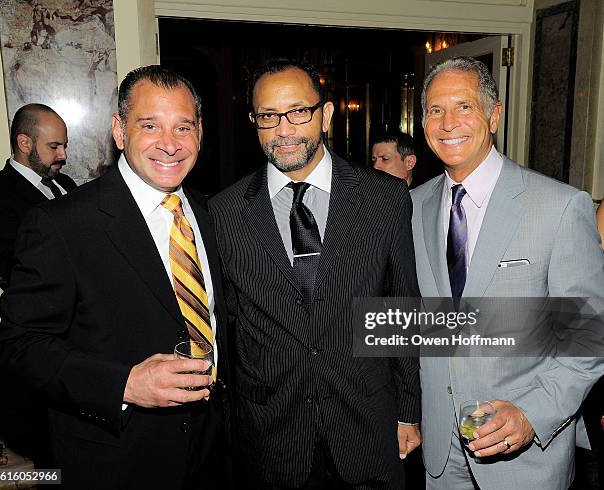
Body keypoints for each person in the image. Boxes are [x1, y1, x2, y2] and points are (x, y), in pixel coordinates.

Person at [0, 66, 229, 490]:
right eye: (150, 126)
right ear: (120, 132)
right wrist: (125, 383)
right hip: (117, 461)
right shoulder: (61, 224)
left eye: (183, 127)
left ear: (200, 134)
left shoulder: (213, 214)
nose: (170, 144)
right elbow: (18, 348)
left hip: (214, 454)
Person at [209, 58, 421, 489]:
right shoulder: (225, 211)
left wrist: (408, 412)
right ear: (254, 122)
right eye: (268, 116)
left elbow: (403, 308)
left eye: (298, 111)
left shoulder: (386, 199)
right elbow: (227, 327)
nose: (283, 129)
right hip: (270, 438)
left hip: (368, 429)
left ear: (325, 115)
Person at [411, 56, 604, 489]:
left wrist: (533, 414)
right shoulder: (412, 207)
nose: (448, 123)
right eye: (435, 111)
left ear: (494, 115)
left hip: (525, 460)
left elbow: (590, 338)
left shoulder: (559, 207)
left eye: (464, 107)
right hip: (440, 453)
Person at [0, 103, 76, 285]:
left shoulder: (66, 183)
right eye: (54, 147)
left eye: (64, 145)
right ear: (24, 143)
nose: (63, 155)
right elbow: (17, 271)